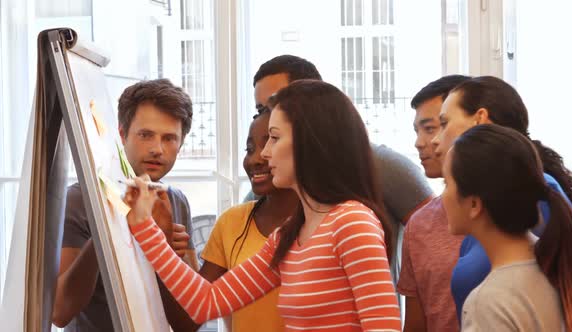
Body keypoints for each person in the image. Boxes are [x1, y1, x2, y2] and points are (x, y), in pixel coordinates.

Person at [126, 80, 401, 331]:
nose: (266, 152)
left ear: (310, 142)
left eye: (275, 137)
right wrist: (144, 227)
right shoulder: (288, 236)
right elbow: (206, 302)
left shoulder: (353, 222)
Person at [245, 55, 433, 288]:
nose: (268, 115)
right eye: (260, 109)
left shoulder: (383, 169)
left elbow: (435, 234)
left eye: (277, 103)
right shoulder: (271, 185)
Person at [431, 75, 572, 322]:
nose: (434, 139)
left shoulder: (536, 197)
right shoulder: (484, 226)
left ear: (480, 119)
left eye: (444, 123)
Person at [52, 79, 199, 331]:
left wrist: (165, 254)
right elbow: (60, 312)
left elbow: (190, 321)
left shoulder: (175, 200)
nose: (157, 149)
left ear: (181, 142)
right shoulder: (79, 200)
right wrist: (111, 222)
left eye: (169, 138)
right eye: (145, 135)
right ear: (122, 134)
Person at [198, 107, 299, 331]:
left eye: (272, 141)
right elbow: (202, 305)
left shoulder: (337, 223)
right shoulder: (236, 224)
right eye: (249, 148)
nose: (257, 157)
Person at [397, 75, 470, 332]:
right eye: (417, 131)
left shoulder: (517, 210)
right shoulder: (419, 224)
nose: (420, 142)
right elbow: (416, 323)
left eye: (431, 128)